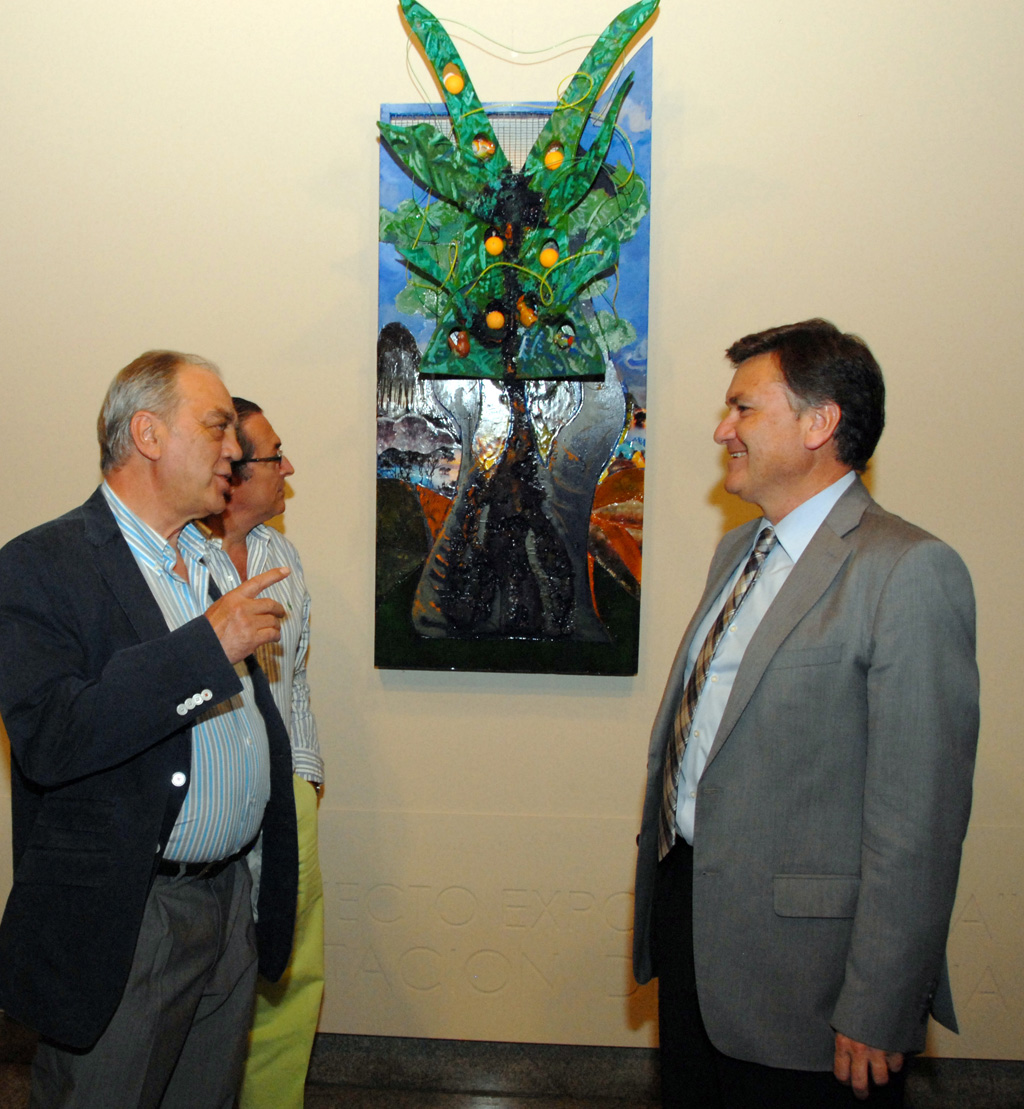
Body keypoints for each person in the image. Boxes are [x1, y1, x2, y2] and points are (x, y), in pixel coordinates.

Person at [632, 319, 979, 1108]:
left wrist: (882, 1001)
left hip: (811, 984)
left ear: (820, 423)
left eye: (744, 409)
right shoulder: (738, 552)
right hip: (694, 934)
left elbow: (919, 822)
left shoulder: (907, 571)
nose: (723, 430)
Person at [0, 351, 298, 1108]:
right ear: (148, 434)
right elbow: (51, 737)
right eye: (217, 425)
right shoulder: (41, 565)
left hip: (228, 902)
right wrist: (206, 646)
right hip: (132, 919)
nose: (234, 447)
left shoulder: (206, 557)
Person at [201, 398, 324, 1109]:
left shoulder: (282, 556)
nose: (290, 468)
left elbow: (293, 677)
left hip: (286, 798)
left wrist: (304, 780)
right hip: (210, 807)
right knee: (213, 977)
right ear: (233, 471)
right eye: (277, 456)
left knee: (293, 972)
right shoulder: (178, 558)